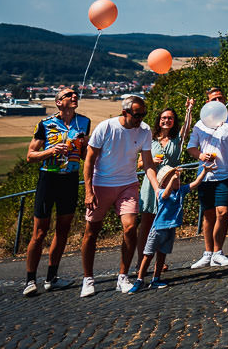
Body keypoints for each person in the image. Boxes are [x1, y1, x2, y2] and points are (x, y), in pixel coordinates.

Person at [80, 96, 161, 298]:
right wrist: (88, 191)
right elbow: (89, 159)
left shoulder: (144, 130)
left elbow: (148, 163)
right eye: (137, 115)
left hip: (128, 184)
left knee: (130, 227)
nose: (141, 118)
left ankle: (123, 277)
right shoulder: (106, 127)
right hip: (101, 184)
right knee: (92, 231)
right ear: (125, 112)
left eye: (143, 114)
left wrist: (157, 189)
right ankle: (88, 278)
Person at [23, 88, 91, 296]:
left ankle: (51, 278)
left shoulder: (84, 122)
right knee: (39, 232)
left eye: (75, 94)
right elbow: (30, 156)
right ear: (59, 102)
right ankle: (30, 280)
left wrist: (83, 147)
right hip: (48, 178)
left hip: (70, 179)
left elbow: (85, 154)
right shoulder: (45, 124)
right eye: (68, 95)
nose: (74, 96)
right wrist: (51, 151)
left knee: (63, 230)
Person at [133, 98, 194, 276]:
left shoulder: (177, 140)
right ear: (159, 120)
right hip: (150, 184)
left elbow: (187, 127)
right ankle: (140, 262)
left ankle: (159, 264)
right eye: (163, 118)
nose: (166, 120)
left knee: (164, 225)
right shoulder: (149, 139)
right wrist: (151, 161)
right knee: (146, 224)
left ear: (174, 121)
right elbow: (139, 164)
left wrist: (189, 109)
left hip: (170, 185)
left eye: (170, 118)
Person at [185, 87, 228, 269]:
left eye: (220, 98)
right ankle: (208, 253)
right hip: (205, 175)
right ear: (207, 102)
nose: (218, 101)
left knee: (223, 212)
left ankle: (218, 252)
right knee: (208, 215)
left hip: (225, 173)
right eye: (214, 99)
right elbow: (191, 147)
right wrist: (201, 155)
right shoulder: (200, 124)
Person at [130, 163, 206, 292]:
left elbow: (196, 183)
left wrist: (205, 171)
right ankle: (139, 280)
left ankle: (156, 279)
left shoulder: (181, 191)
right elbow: (165, 194)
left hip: (170, 229)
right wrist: (172, 180)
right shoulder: (160, 192)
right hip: (158, 230)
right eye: (173, 179)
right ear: (164, 183)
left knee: (162, 255)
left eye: (177, 178)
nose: (177, 180)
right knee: (148, 255)